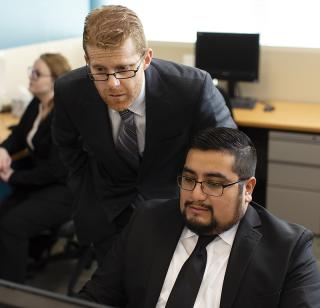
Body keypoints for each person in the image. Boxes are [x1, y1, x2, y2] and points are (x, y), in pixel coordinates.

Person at [52, 5, 236, 265]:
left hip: (177, 213)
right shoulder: (70, 90)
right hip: (108, 213)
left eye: (124, 69)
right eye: (100, 70)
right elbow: (65, 146)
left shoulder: (192, 87)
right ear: (87, 60)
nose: (112, 84)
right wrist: (84, 191)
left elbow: (229, 154)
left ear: (147, 58)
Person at [78, 127, 320, 308]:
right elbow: (96, 298)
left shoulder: (288, 249)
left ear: (247, 189)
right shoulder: (147, 220)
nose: (196, 195)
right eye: (189, 179)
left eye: (214, 184)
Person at [0, 53, 73, 283]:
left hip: (62, 191)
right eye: (32, 70)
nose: (30, 77)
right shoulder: (37, 102)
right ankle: (20, 263)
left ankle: (14, 292)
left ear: (54, 81)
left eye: (36, 73)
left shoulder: (63, 114)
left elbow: (54, 170)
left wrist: (13, 177)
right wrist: (3, 149)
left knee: (12, 226)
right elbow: (20, 135)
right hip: (39, 182)